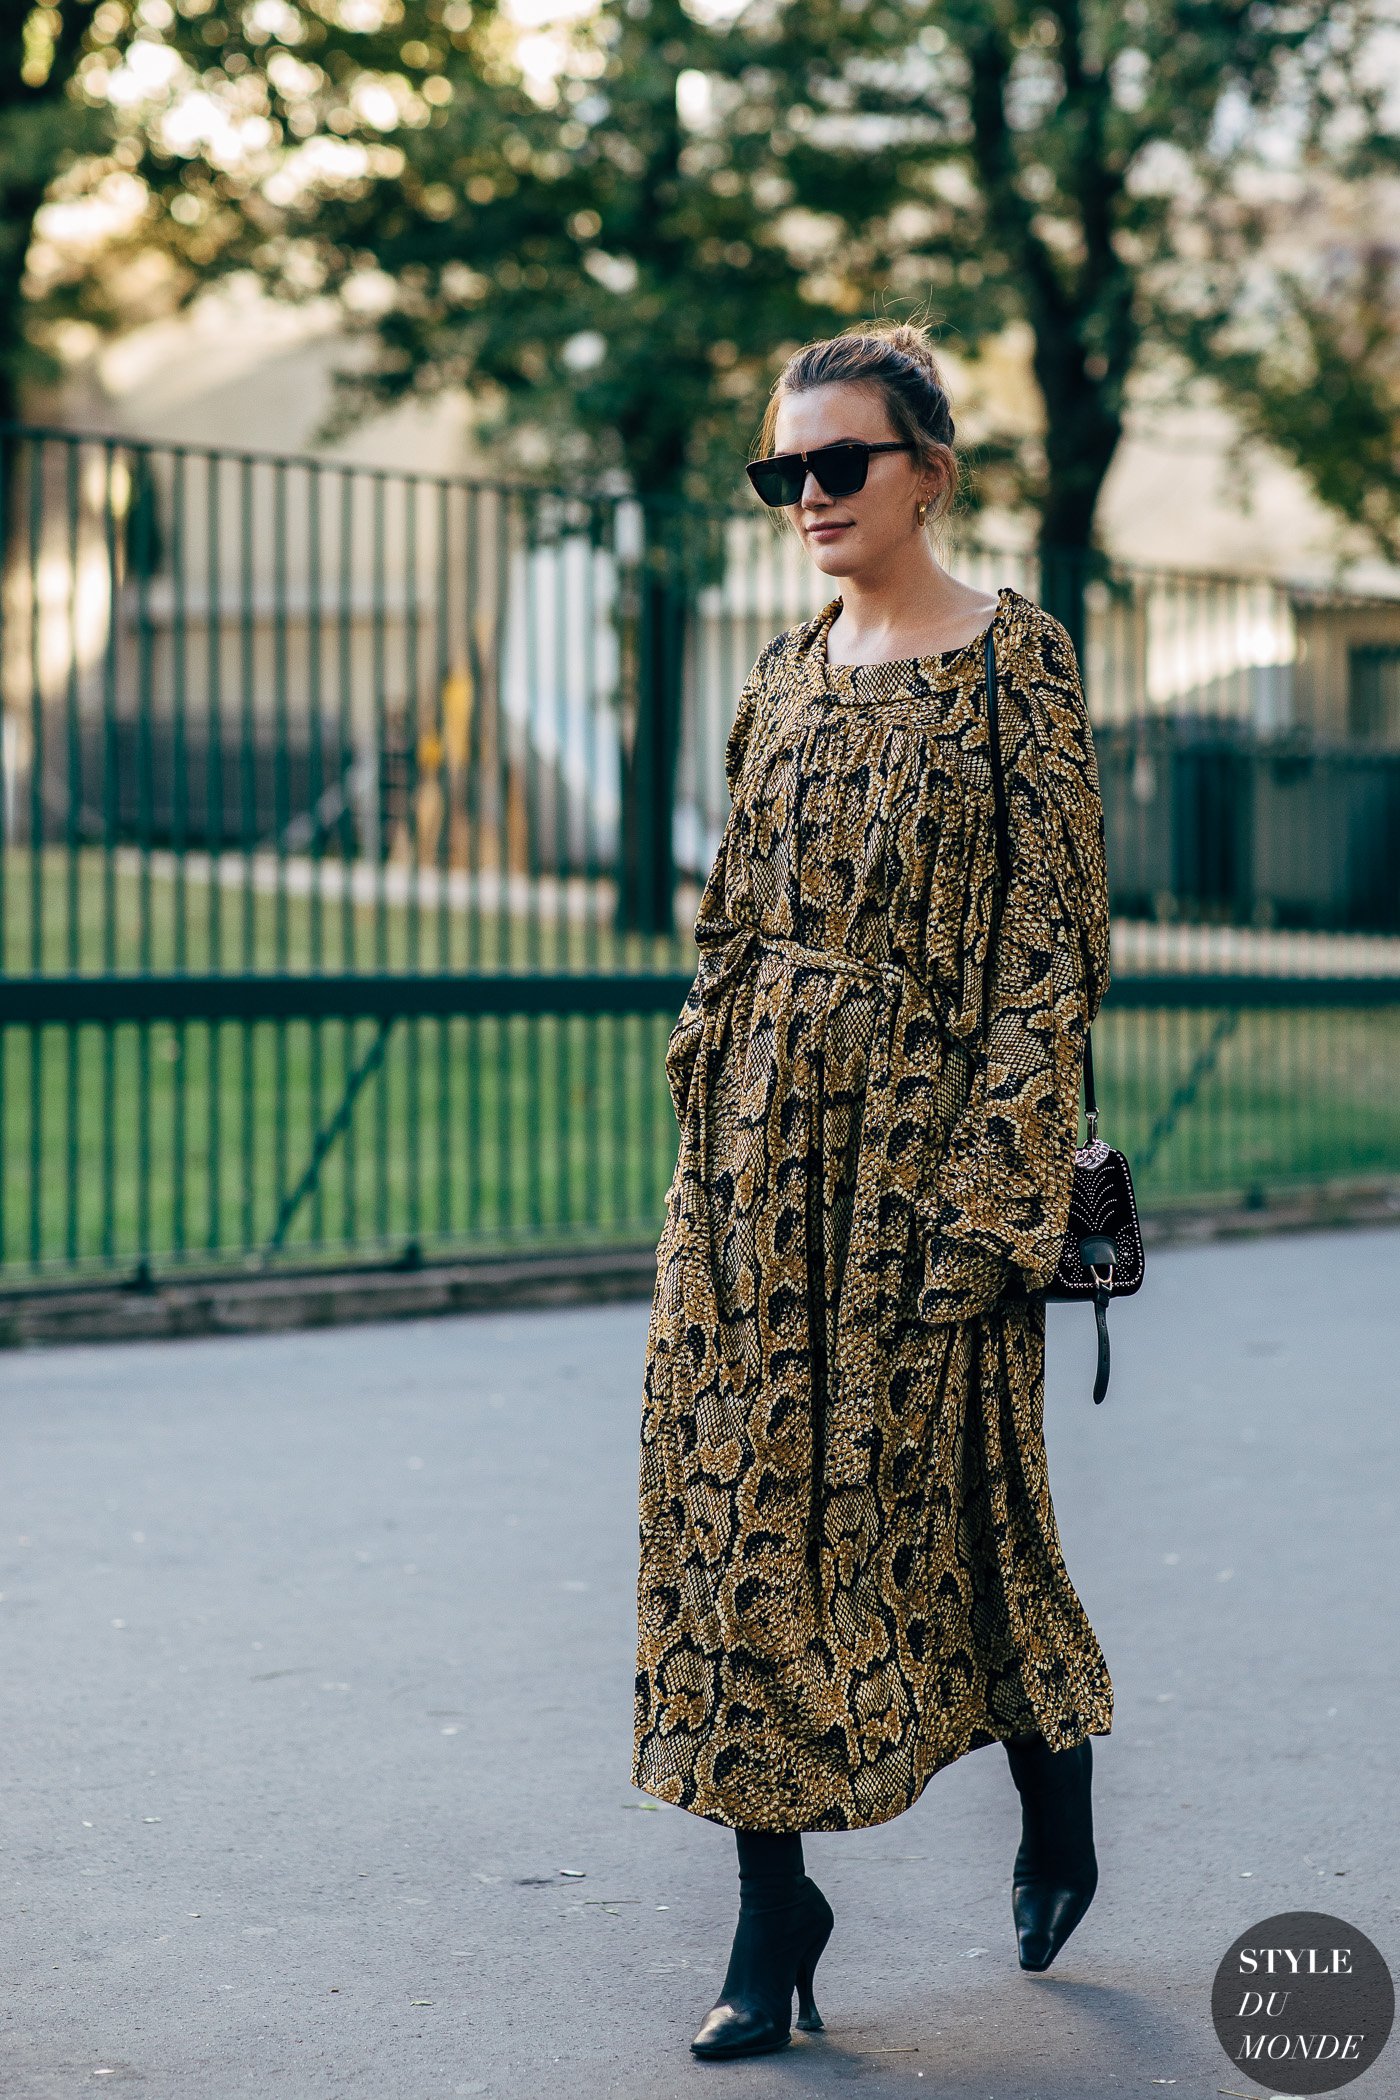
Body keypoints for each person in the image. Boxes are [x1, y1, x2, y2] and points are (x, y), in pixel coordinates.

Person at [632, 317, 1113, 2060]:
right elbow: (726, 921)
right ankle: (774, 1914)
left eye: (844, 462)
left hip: (930, 1178)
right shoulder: (774, 679)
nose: (812, 495)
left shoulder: (1015, 664)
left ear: (931, 470)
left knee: (958, 1518)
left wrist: (993, 1205)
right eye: (787, 470)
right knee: (731, 1522)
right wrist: (709, 1096)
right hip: (754, 1174)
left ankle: (1051, 1791)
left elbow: (1053, 941)